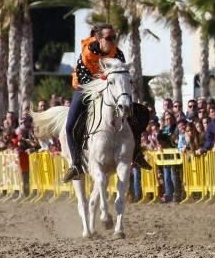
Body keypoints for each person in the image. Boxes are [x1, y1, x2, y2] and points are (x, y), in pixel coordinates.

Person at [62, 24, 151, 183]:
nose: (112, 41)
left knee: (140, 113)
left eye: (114, 37)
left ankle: (136, 152)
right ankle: (76, 164)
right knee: (69, 127)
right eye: (109, 38)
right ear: (98, 39)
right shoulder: (87, 53)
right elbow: (84, 78)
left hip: (111, 91)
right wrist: (103, 84)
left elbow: (122, 75)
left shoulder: (117, 53)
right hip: (84, 88)